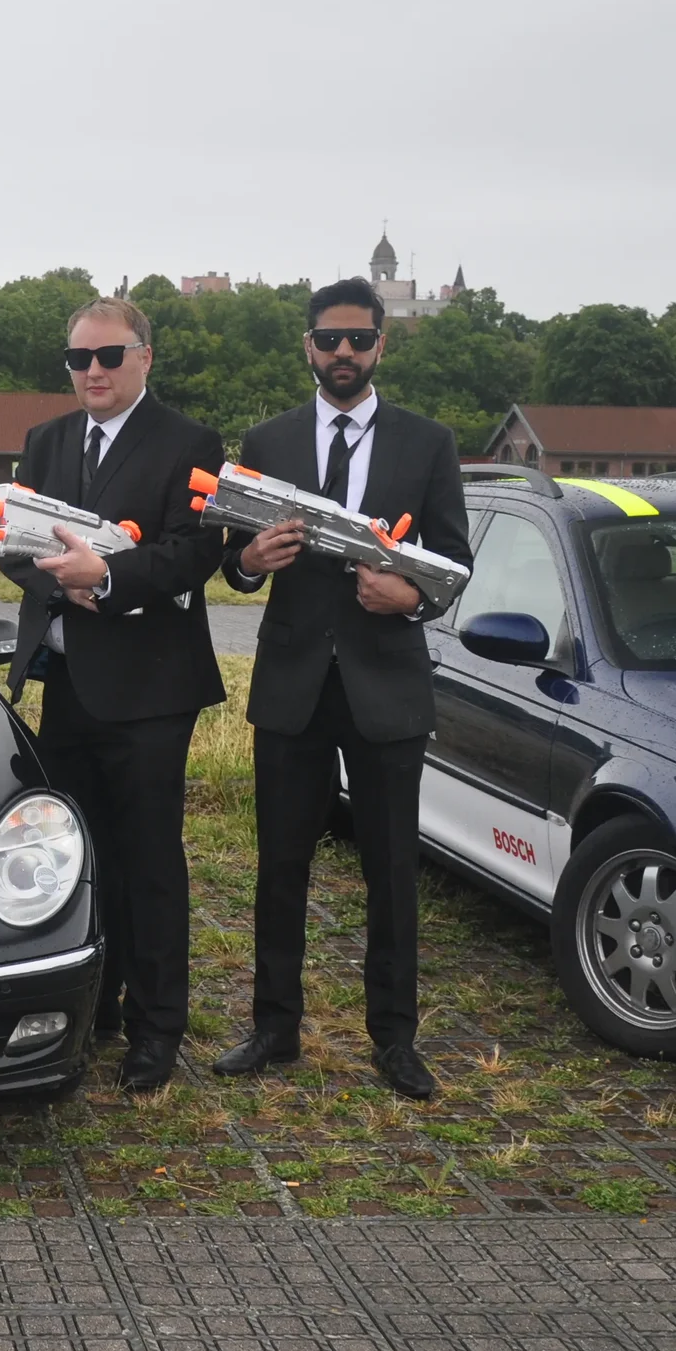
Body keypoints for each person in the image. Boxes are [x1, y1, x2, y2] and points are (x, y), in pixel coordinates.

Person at [211, 277, 472, 1099]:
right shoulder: (267, 441)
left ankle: (395, 1041)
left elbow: (454, 566)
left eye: (359, 340)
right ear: (308, 347)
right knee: (280, 865)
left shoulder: (427, 443)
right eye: (329, 340)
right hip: (293, 682)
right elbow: (233, 559)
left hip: (386, 685)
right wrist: (249, 562)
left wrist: (413, 597)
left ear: (381, 345)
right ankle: (274, 1028)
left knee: (392, 870)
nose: (344, 354)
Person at [0, 296, 226, 1091]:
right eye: (78, 359)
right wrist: (39, 565)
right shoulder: (46, 439)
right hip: (64, 681)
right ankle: (95, 1004)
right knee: (75, 855)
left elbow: (197, 551)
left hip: (150, 689)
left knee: (149, 860)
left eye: (108, 357)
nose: (91, 372)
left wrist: (113, 578)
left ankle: (157, 1029)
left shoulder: (189, 443)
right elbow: (12, 542)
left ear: (144, 358)